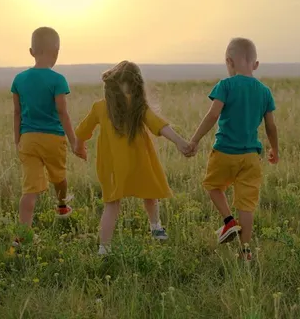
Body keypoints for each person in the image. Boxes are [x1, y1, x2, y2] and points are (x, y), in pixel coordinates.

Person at [74, 61, 190, 255]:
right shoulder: (138, 106)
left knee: (112, 204)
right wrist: (179, 142)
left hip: (112, 166)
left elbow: (82, 131)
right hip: (139, 162)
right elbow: (161, 126)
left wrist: (79, 147)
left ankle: (104, 247)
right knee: (150, 195)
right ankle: (156, 227)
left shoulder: (101, 107)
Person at [187, 38, 279, 260]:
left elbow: (213, 115)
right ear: (255, 65)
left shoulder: (225, 86)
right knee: (246, 205)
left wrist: (195, 139)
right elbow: (271, 125)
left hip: (225, 152)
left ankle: (228, 221)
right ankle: (245, 251)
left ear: (229, 62)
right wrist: (275, 149)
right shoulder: (264, 91)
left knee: (212, 186)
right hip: (251, 157)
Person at [11, 27, 78, 246]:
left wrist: (17, 138)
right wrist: (73, 139)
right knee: (59, 177)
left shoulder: (19, 79)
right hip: (53, 138)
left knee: (29, 189)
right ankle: (61, 205)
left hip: (28, 138)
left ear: (31, 51)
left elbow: (17, 112)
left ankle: (22, 236)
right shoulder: (58, 80)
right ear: (56, 51)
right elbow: (62, 112)